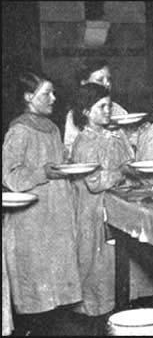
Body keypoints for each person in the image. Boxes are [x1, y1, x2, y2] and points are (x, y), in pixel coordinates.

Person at [2, 70, 82, 325]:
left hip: (55, 216)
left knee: (57, 295)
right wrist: (43, 172)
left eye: (53, 92)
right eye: (46, 93)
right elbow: (10, 176)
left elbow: (55, 163)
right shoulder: (20, 130)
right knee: (37, 296)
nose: (53, 98)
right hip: (32, 222)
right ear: (28, 97)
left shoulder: (51, 128)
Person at [70, 83, 142, 317]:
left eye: (109, 106)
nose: (108, 111)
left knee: (116, 263)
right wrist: (123, 173)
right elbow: (95, 181)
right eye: (101, 107)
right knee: (97, 264)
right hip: (93, 212)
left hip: (115, 206)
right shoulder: (84, 142)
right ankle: (96, 314)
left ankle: (119, 310)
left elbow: (130, 162)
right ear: (85, 112)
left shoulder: (114, 136)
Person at [64, 59, 129, 156]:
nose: (107, 84)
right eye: (100, 80)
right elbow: (71, 150)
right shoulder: (74, 114)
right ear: (84, 83)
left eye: (109, 79)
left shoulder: (117, 109)